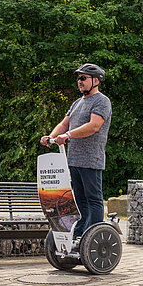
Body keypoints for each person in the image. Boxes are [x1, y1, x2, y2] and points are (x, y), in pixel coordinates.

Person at [41, 64, 112, 243]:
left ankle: (94, 238)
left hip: (90, 159)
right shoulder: (77, 103)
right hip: (73, 159)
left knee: (93, 199)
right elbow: (64, 124)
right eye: (79, 78)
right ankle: (79, 234)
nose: (79, 81)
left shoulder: (101, 101)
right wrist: (51, 137)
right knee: (79, 200)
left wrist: (68, 135)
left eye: (83, 78)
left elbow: (94, 126)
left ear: (95, 81)